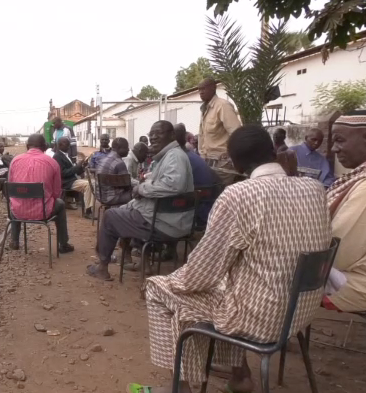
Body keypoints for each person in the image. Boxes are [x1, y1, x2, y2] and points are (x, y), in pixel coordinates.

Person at [127, 125, 331, 393]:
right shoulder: (314, 188)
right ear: (273, 151)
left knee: (160, 289)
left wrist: (168, 281)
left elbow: (202, 272)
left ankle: (181, 387)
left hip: (261, 319)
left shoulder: (240, 195)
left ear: (235, 162)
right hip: (300, 311)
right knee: (227, 284)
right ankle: (240, 374)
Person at [87, 121, 194, 281]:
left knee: (111, 216)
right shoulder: (170, 156)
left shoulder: (175, 156)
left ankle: (102, 267)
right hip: (167, 220)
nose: (153, 137)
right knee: (127, 211)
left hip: (164, 224)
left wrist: (141, 189)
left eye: (159, 132)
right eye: (151, 134)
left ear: (172, 135)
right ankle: (143, 263)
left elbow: (173, 185)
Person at [322, 111, 366, 313]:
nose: (333, 148)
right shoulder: (358, 178)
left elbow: (337, 254)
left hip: (358, 283)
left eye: (339, 140)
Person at [8, 134, 73, 253]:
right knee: (60, 203)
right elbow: (56, 192)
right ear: (44, 147)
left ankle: (14, 241)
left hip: (17, 212)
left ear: (27, 146)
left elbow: (11, 186)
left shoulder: (15, 161)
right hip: (43, 212)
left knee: (15, 201)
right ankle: (63, 244)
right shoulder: (52, 163)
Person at [197, 77, 242, 185]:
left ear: (213, 88)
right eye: (199, 90)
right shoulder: (205, 108)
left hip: (222, 163)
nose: (201, 92)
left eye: (204, 88)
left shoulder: (222, 106)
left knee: (220, 193)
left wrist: (230, 155)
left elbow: (236, 133)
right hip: (207, 160)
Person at [175, 123, 220, 229]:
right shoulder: (190, 155)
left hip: (198, 211)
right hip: (207, 206)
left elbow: (173, 187)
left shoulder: (181, 159)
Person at [53, 136, 95, 218]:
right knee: (89, 185)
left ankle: (88, 208)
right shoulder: (57, 156)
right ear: (59, 145)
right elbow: (62, 173)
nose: (68, 146)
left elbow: (74, 171)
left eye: (69, 144)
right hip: (66, 182)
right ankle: (88, 211)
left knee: (91, 183)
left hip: (72, 180)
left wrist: (82, 166)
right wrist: (76, 167)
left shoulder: (65, 155)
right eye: (66, 144)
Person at [94, 137, 132, 206]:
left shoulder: (104, 159)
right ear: (118, 148)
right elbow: (127, 185)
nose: (128, 149)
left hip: (100, 196)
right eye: (126, 147)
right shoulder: (119, 163)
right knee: (136, 194)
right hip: (112, 198)